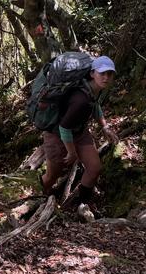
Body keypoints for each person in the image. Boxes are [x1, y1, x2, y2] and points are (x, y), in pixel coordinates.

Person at [40, 55, 119, 213]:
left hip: (79, 132)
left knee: (94, 168)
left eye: (109, 74)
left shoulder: (92, 89)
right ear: (92, 74)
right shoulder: (80, 99)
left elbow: (95, 105)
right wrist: (72, 152)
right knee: (52, 176)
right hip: (56, 135)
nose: (106, 77)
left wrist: (105, 127)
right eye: (102, 73)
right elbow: (64, 127)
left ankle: (82, 206)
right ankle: (39, 199)